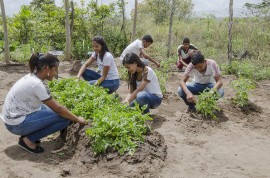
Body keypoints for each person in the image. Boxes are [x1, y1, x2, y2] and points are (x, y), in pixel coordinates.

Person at [0, 53, 86, 154]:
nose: (56, 73)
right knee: (64, 118)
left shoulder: (31, 77)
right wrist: (77, 119)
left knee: (52, 110)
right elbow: (58, 109)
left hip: (11, 120)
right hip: (16, 125)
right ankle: (28, 140)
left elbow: (53, 105)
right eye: (55, 70)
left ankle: (28, 135)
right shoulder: (37, 84)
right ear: (47, 69)